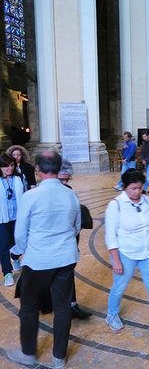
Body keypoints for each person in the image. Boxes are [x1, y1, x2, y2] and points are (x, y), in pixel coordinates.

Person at [7, 151, 81, 368]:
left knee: (29, 307)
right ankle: (59, 357)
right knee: (63, 307)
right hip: (66, 259)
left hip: (38, 260)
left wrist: (18, 251)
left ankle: (28, 353)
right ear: (58, 169)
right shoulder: (70, 195)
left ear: (37, 170)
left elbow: (20, 233)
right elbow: (76, 227)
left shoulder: (31, 196)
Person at [104, 169, 149, 336]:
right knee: (119, 287)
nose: (137, 192)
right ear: (124, 187)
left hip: (148, 252)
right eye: (133, 188)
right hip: (126, 253)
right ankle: (111, 315)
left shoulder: (145, 199)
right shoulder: (115, 205)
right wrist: (116, 260)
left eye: (140, 188)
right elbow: (110, 235)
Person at [57, 160, 93, 319]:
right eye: (61, 180)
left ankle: (71, 304)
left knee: (67, 274)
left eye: (67, 179)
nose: (64, 183)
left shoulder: (69, 192)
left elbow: (75, 223)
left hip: (68, 243)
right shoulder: (41, 195)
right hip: (50, 247)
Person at [0, 154, 25, 287]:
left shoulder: (18, 178)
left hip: (18, 216)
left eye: (11, 165)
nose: (9, 168)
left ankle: (15, 258)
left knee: (19, 241)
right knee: (3, 245)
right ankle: (7, 273)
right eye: (5, 166)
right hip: (2, 218)